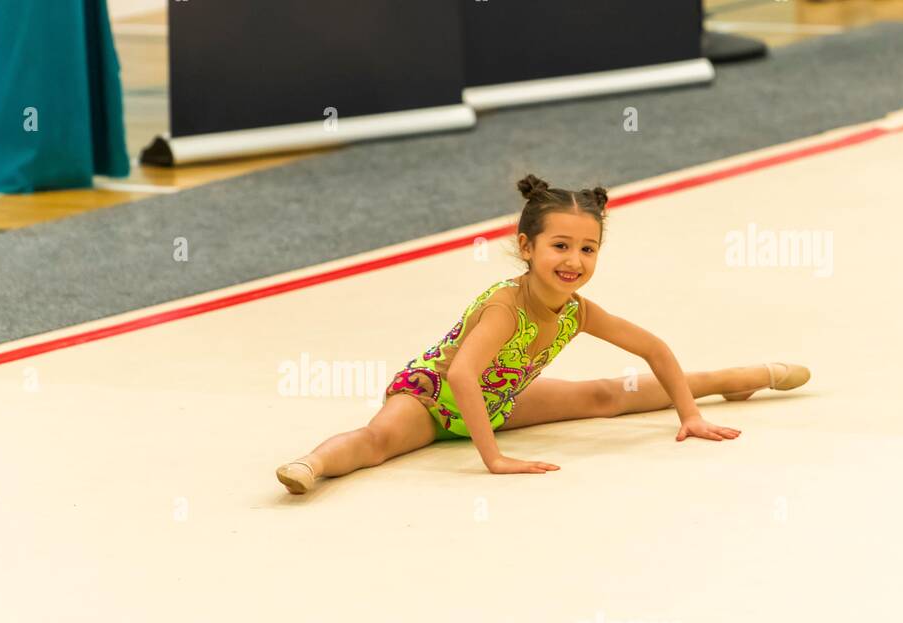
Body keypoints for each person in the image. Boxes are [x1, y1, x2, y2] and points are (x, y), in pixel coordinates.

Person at [275, 174, 810, 495]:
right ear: (526, 247)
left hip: (498, 399)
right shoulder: (506, 308)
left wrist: (689, 416)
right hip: (431, 399)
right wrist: (493, 458)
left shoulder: (576, 311)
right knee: (376, 442)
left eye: (587, 249)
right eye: (560, 246)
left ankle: (736, 379)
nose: (574, 260)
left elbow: (653, 348)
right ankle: (311, 465)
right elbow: (461, 375)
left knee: (605, 394)